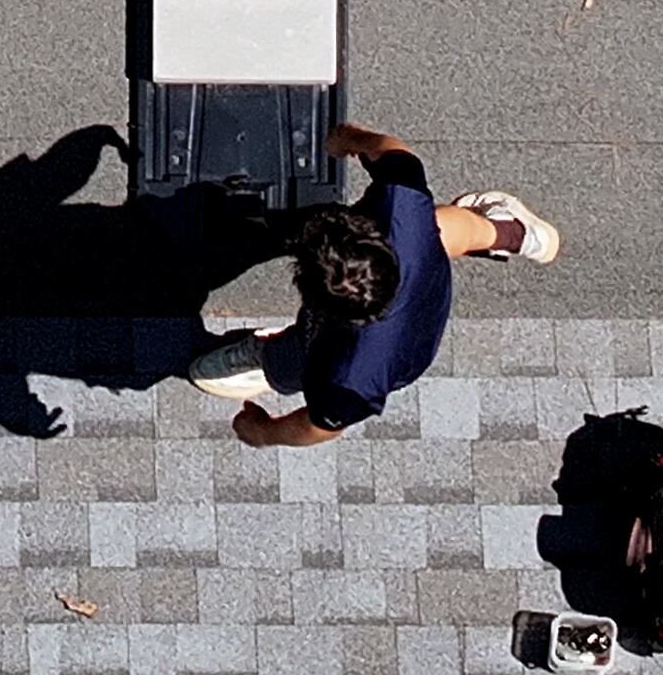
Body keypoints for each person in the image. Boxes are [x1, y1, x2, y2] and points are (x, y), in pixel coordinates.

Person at [187, 119, 559, 444]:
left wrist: (265, 433)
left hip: (393, 350)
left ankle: (270, 360)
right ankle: (516, 232)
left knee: (300, 356)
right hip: (422, 278)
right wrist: (351, 138)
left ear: (317, 299)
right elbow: (396, 153)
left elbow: (320, 427)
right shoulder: (400, 211)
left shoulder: (349, 377)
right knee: (435, 228)